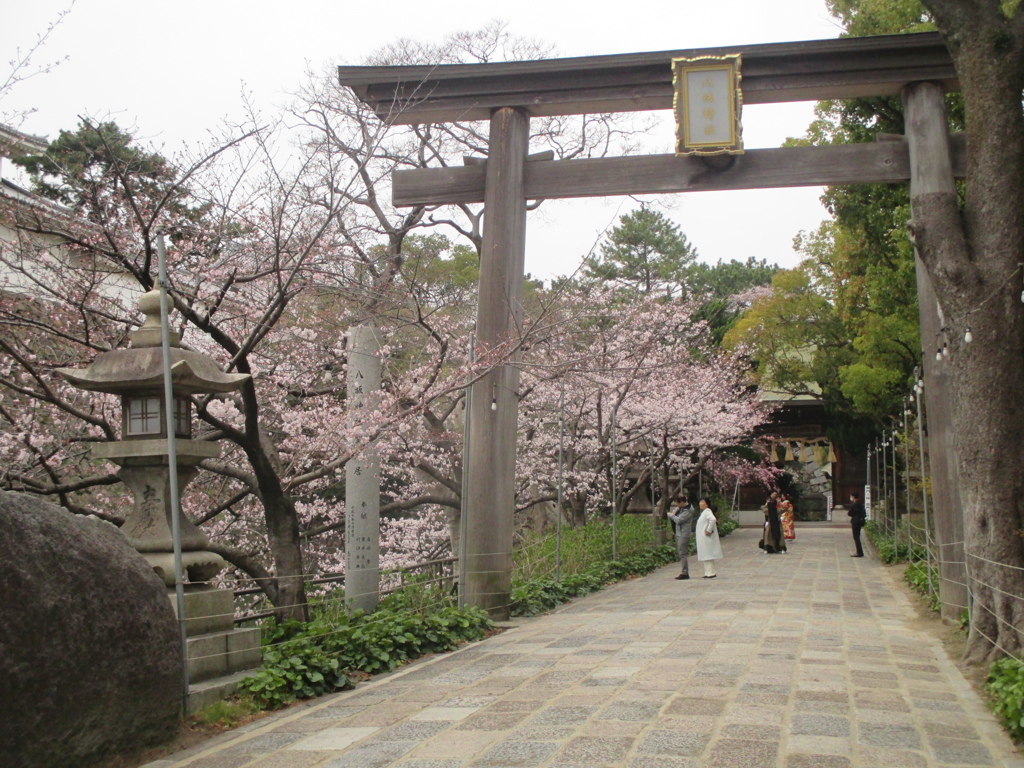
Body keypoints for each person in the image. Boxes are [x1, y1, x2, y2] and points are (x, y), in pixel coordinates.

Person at [667, 492, 694, 580]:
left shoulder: (688, 510)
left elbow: (679, 520)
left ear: (682, 502)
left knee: (682, 553)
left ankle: (685, 572)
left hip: (684, 533)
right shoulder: (682, 508)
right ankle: (684, 571)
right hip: (679, 532)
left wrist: (671, 516)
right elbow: (676, 512)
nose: (677, 505)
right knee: (680, 552)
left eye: (678, 503)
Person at [695, 497, 723, 578]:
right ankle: (707, 572)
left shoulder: (707, 511)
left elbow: (713, 519)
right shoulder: (704, 512)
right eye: (700, 502)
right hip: (703, 538)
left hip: (706, 537)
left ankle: (711, 572)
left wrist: (708, 530)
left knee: (708, 555)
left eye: (702, 502)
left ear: (707, 504)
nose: (700, 503)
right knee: (705, 554)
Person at [849, 490, 866, 557]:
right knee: (857, 536)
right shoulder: (860, 504)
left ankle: (859, 552)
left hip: (855, 521)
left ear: (853, 496)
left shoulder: (854, 504)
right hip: (860, 521)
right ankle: (859, 552)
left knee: (856, 537)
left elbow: (850, 513)